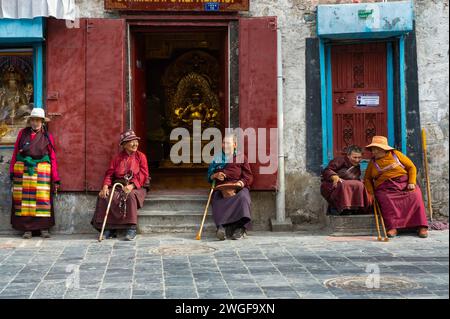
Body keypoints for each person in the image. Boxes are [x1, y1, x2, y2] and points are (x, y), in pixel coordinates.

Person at [9, 107, 60, 239]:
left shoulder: (47, 136)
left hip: (42, 171)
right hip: (24, 170)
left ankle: (43, 228)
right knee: (25, 201)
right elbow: (15, 152)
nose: (35, 123)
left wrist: (56, 177)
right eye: (33, 120)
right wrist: (12, 171)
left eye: (38, 120)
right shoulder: (22, 133)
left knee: (42, 200)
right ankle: (27, 230)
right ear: (30, 121)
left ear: (42, 122)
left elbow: (52, 157)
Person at [364, 136, 429, 238]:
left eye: (376, 148)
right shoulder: (373, 163)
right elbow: (367, 179)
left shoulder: (396, 155)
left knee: (415, 195)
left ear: (384, 149)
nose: (374, 151)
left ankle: (421, 226)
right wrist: (371, 192)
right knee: (385, 199)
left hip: (404, 183)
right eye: (373, 149)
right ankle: (392, 227)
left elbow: (411, 167)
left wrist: (411, 181)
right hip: (385, 188)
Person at [91, 130, 150, 241]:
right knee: (106, 196)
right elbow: (110, 173)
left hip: (137, 185)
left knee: (130, 196)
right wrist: (105, 186)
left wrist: (132, 186)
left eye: (136, 141)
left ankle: (131, 228)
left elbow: (144, 174)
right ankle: (109, 229)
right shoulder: (117, 158)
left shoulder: (141, 157)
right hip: (119, 184)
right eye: (131, 142)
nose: (135, 144)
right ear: (124, 145)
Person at [207, 134, 253, 240]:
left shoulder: (241, 157)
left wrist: (239, 184)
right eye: (223, 143)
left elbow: (248, 176)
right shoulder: (217, 158)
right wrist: (215, 175)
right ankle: (221, 228)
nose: (224, 145)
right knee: (217, 198)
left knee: (243, 198)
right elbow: (209, 176)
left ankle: (240, 228)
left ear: (235, 145)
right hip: (221, 187)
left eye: (228, 143)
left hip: (238, 186)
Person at [320, 145, 371, 215]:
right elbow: (327, 170)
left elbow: (354, 177)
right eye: (355, 157)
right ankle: (342, 208)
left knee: (360, 184)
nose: (357, 160)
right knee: (345, 184)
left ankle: (355, 208)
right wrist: (334, 176)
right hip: (333, 184)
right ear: (348, 156)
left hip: (346, 185)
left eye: (359, 157)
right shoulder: (340, 160)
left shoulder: (356, 166)